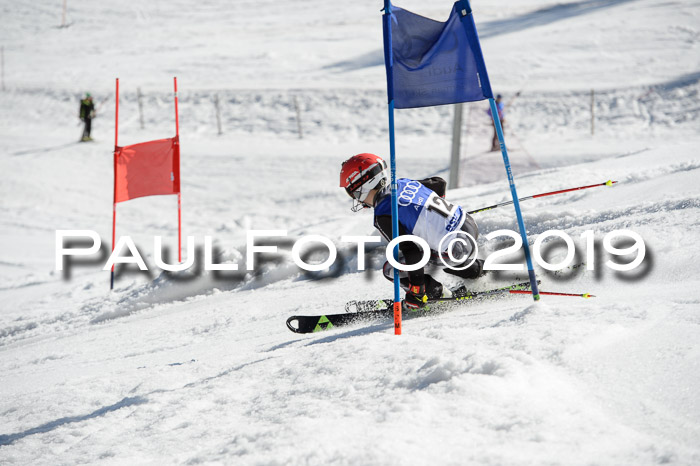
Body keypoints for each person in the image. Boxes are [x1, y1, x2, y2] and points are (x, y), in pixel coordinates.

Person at [340, 153, 484, 310]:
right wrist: (436, 220)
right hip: (468, 224)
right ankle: (480, 270)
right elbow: (439, 183)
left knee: (391, 269)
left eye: (353, 193)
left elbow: (412, 253)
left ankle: (435, 294)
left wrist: (416, 290)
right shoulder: (402, 183)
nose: (357, 199)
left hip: (457, 249)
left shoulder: (383, 214)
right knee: (435, 245)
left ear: (363, 187)